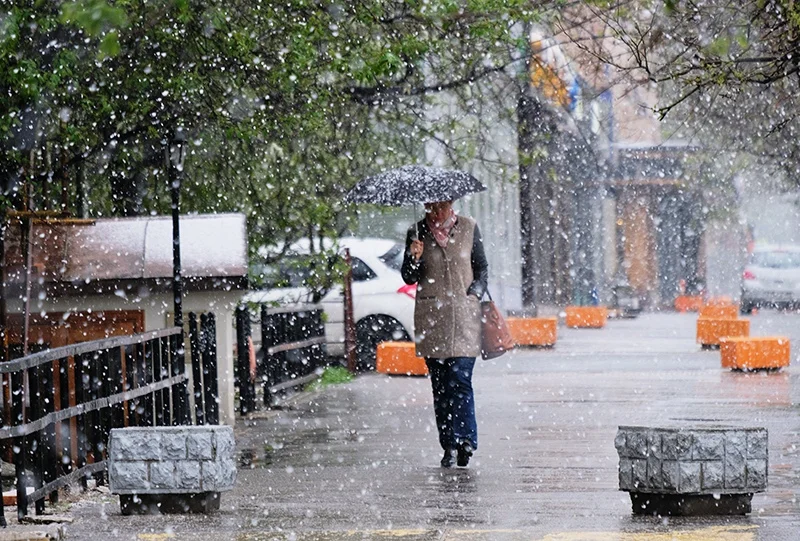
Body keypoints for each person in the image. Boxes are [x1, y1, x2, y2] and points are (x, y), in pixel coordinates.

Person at [401, 200, 488, 468]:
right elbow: (408, 277)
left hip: (464, 317)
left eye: (442, 206)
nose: (437, 212)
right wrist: (413, 257)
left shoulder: (469, 228)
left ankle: (466, 441)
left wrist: (474, 293)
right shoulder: (416, 232)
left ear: (451, 204)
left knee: (460, 380)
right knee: (440, 386)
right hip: (432, 320)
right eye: (432, 207)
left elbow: (482, 268)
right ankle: (448, 444)